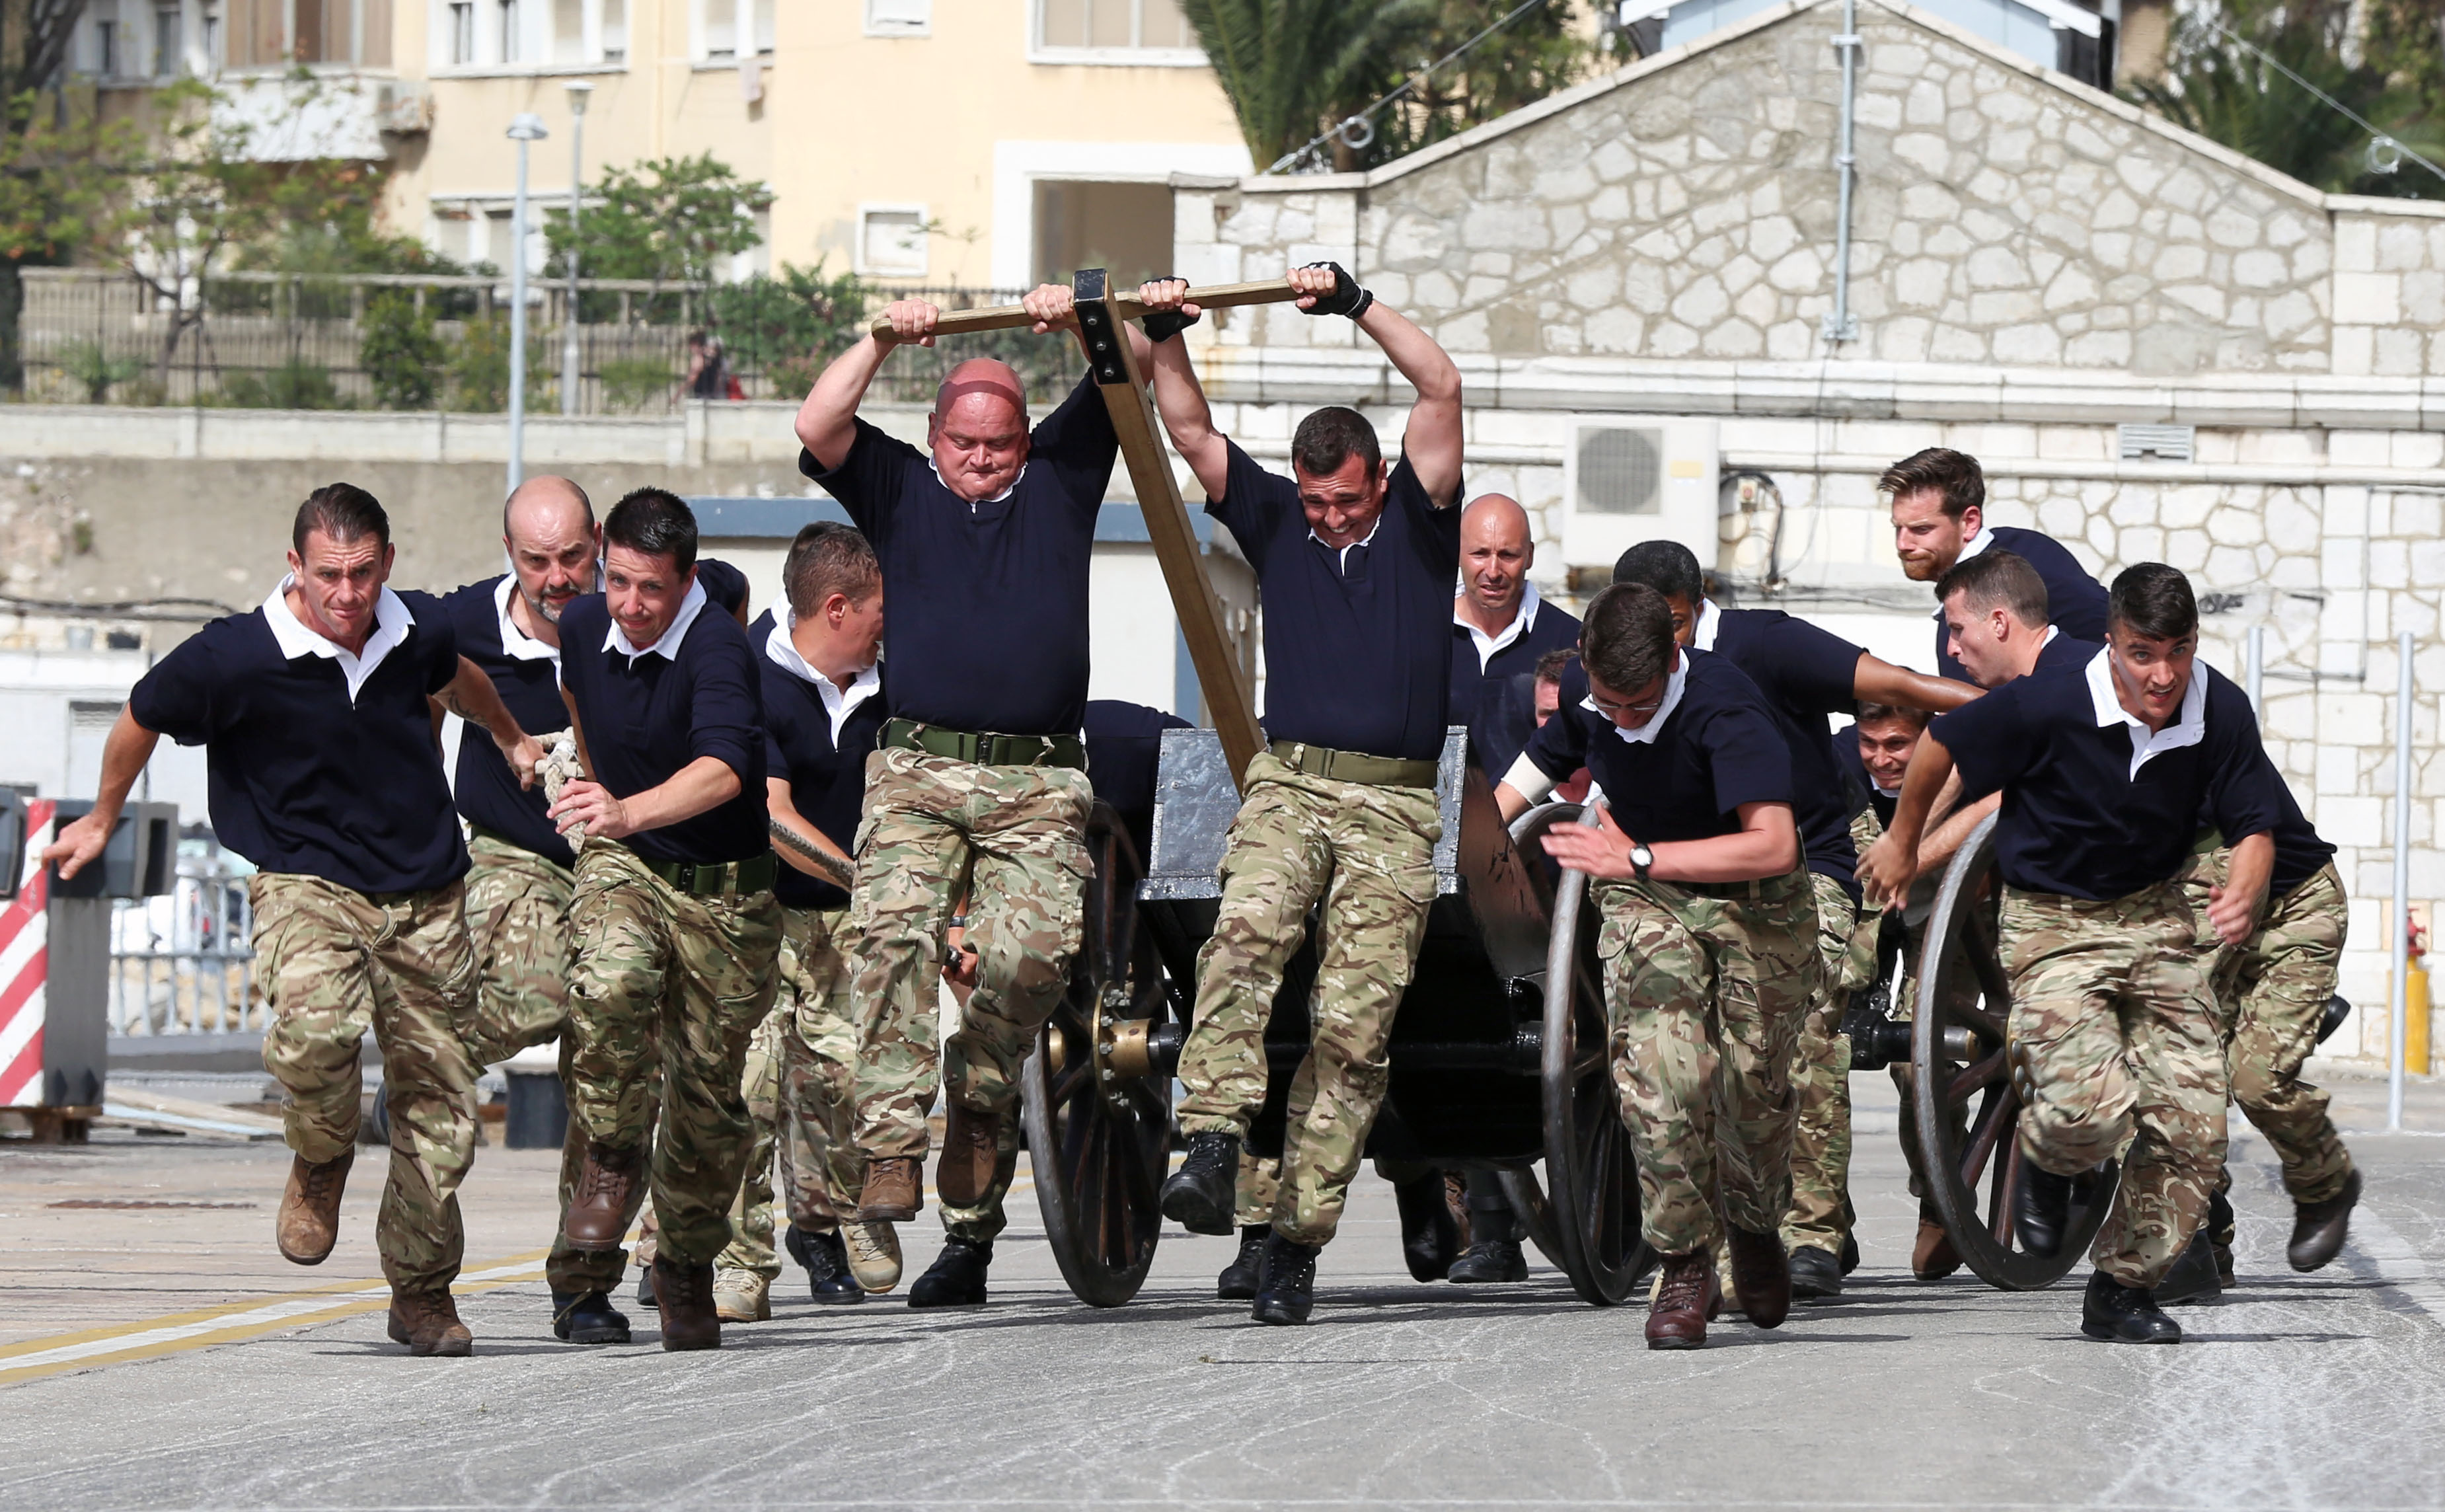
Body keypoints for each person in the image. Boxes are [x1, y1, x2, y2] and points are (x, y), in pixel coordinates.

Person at [46, 484, 543, 1357]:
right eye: (327, 577)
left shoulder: (415, 628)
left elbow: (457, 679)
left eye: (361, 574)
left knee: (441, 1111)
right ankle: (322, 1154)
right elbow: (139, 716)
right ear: (295, 568)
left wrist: (507, 736)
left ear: (387, 563)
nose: (346, 596)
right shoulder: (233, 656)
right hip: (306, 883)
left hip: (426, 890)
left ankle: (421, 1295)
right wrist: (102, 815)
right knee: (316, 1034)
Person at [793, 284, 1152, 1308]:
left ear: (1026, 440)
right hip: (917, 769)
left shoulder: (1065, 479)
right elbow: (820, 422)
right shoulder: (902, 488)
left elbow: (1123, 358)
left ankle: (982, 1092)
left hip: (1039, 774)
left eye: (1000, 444)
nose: (982, 460)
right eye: (965, 443)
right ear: (938, 437)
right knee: (892, 932)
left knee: (1035, 955)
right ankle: (894, 1145)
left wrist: (1076, 321)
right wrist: (879, 336)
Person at [1139, 265, 1466, 1326]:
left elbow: (1441, 388)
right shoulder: (1279, 520)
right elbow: (1188, 431)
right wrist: (1164, 330)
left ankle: (1297, 1238)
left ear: (1379, 481)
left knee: (1352, 1032)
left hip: (1395, 808)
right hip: (1292, 782)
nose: (1328, 518)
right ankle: (1213, 1139)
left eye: (1345, 501)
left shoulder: (1419, 522)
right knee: (1243, 935)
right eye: (1315, 500)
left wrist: (1357, 304)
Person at [1858, 563, 2281, 1345]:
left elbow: (2254, 817)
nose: (2162, 674)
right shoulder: (2049, 700)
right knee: (2089, 1109)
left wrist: (2246, 886)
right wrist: (1900, 837)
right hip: (2054, 921)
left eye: (2178, 651)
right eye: (2142, 652)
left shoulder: (2215, 704)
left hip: (2155, 919)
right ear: (2113, 641)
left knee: (2193, 1126)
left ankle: (2120, 1287)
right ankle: (2055, 1161)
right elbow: (1940, 744)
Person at [1610, 539, 1973, 1301]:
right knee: (1668, 1041)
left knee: (1804, 1024)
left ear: (1698, 602)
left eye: (1671, 624)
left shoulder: (1763, 645)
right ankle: (1694, 1249)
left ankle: (1810, 1230)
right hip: (1675, 880)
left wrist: (2028, 707)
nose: (1659, 645)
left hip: (1802, 872)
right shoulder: (1615, 668)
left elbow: (1898, 682)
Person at [1492, 583, 1813, 1349]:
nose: (1622, 718)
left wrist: (1634, 852)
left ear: (1674, 657)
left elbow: (1774, 843)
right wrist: (1471, 846)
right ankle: (1684, 1259)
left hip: (1754, 903)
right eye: (1609, 702)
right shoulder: (1587, 688)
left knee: (1750, 1089)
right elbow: (1534, 770)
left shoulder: (1725, 709)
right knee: (1657, 1074)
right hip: (1649, 900)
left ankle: (1756, 1219)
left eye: (1638, 704)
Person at [550, 488, 784, 1352]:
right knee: (610, 986)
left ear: (688, 582)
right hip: (629, 866)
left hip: (725, 895)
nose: (631, 606)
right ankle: (609, 1166)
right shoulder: (582, 628)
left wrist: (626, 808)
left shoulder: (719, 649)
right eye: (618, 582)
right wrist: (602, 805)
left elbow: (725, 772)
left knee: (705, 1105)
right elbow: (580, 701)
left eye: (651, 589)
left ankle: (682, 1265)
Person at [438, 474, 654, 1347]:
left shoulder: (641, 616)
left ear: (598, 541)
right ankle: (432, 1063)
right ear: (509, 556)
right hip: (512, 852)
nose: (558, 577)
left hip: (625, 862)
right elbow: (361, 636)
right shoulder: (457, 624)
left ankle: (584, 1283)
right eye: (538, 561)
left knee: (619, 1058)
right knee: (537, 990)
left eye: (573, 556)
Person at [728, 521, 901, 1316]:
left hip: (845, 929)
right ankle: (737, 1261)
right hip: (756, 915)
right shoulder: (745, 674)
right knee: (750, 1090)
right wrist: (862, 878)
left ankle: (827, 1224)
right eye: (876, 613)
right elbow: (772, 814)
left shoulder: (889, 683)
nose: (886, 628)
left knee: (837, 1083)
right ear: (836, 607)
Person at [2163, 773, 2357, 1299]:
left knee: (2254, 1079)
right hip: (2205, 914)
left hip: (2293, 911)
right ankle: (2204, 1244)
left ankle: (2326, 1183)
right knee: (2178, 1077)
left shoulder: (2204, 729)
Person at [1881, 447, 2109, 683]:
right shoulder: (2026, 547)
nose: (1903, 544)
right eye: (1898, 528)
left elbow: (2112, 631)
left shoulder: (2019, 567)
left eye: (1922, 529)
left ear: (1969, 522)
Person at [1452, 493, 1581, 779]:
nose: (1493, 571)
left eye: (1508, 555)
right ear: (1456, 551)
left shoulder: (1573, 645)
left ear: (1530, 556)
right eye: (1480, 554)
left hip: (1538, 820)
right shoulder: (1422, 635)